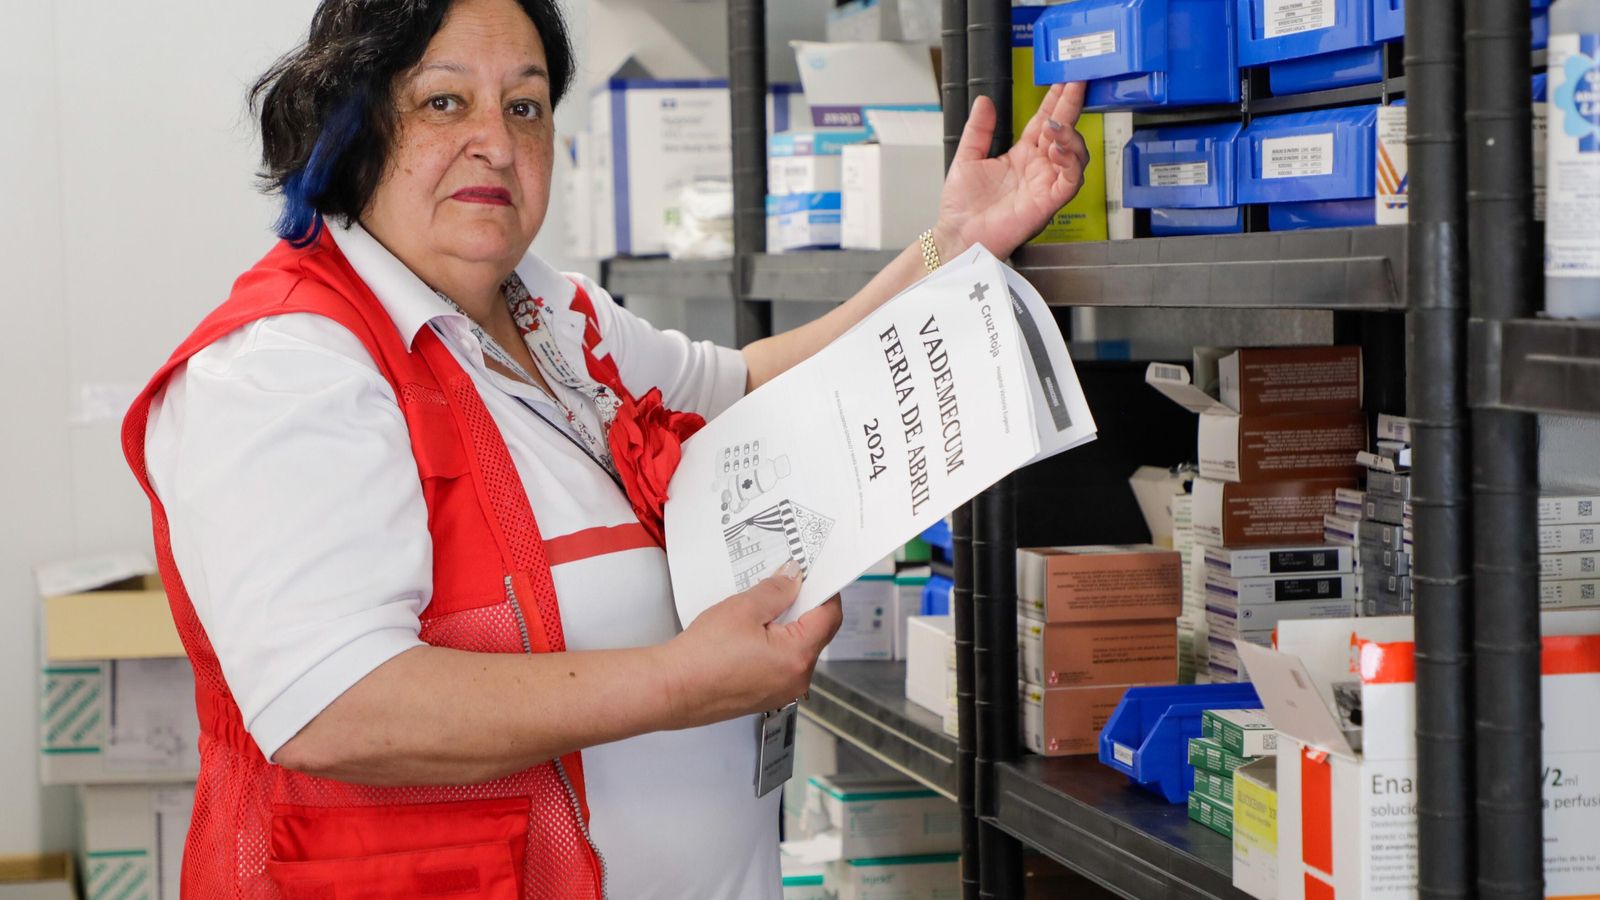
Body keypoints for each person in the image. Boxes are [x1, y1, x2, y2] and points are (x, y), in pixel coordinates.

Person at [120, 0, 1090, 896]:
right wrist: (684, 683)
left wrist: (950, 245)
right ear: (355, 120)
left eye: (527, 105)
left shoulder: (547, 316)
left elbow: (744, 388)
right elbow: (333, 707)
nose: (494, 143)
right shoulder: (285, 367)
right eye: (443, 101)